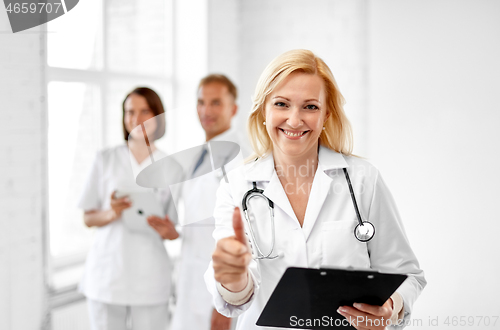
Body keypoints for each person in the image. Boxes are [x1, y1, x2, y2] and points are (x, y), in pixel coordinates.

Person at [205, 50, 426, 330]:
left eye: (310, 107)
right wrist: (234, 280)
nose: (295, 120)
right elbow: (235, 297)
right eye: (282, 104)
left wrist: (391, 307)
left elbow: (408, 274)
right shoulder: (236, 187)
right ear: (264, 111)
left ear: (326, 115)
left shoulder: (362, 180)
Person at [78, 87, 179, 330]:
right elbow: (88, 218)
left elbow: (173, 229)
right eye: (130, 112)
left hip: (150, 276)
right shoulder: (105, 159)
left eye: (145, 111)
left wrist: (166, 230)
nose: (137, 119)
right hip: (108, 274)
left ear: (158, 116)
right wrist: (112, 212)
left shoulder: (171, 166)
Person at [171, 74, 249, 330]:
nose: (206, 110)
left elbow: (245, 231)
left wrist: (228, 305)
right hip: (191, 278)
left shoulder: (239, 161)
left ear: (233, 108)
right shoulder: (198, 155)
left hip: (218, 288)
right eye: (201, 102)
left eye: (216, 102)